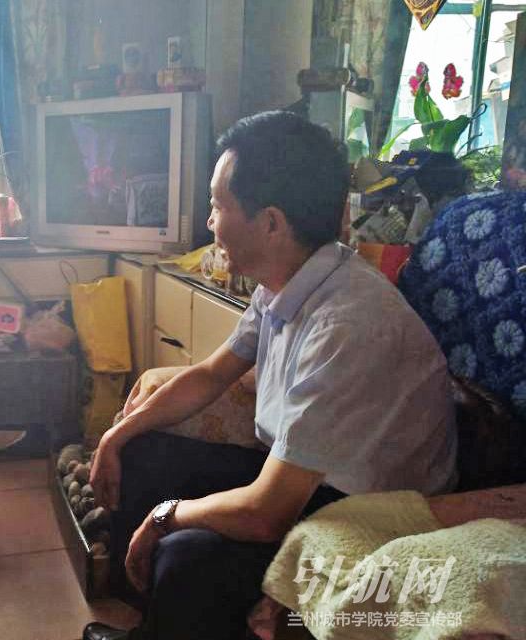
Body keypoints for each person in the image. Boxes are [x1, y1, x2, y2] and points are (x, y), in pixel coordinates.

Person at [82, 111, 457, 640]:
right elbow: (211, 375)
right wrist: (118, 434)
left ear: (272, 223)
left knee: (188, 559)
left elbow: (267, 514)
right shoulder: (286, 282)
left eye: (218, 206)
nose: (209, 222)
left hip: (368, 516)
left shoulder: (347, 325)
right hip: (301, 477)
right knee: (143, 452)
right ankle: (149, 622)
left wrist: (167, 515)